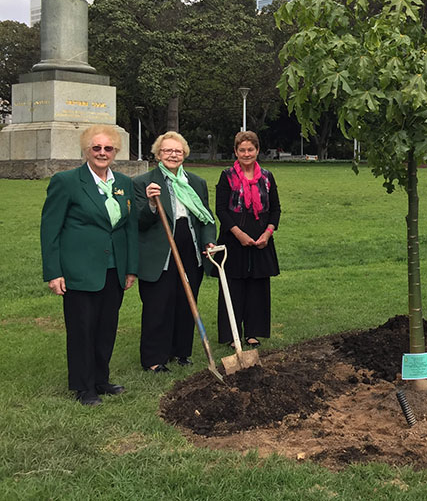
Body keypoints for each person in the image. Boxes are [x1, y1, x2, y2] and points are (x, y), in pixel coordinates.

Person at [40, 125, 137, 406]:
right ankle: (83, 387)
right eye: (97, 148)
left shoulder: (123, 183)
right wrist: (53, 271)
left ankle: (100, 378)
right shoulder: (67, 181)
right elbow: (50, 230)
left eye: (108, 148)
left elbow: (128, 228)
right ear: (86, 151)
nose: (102, 153)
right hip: (79, 270)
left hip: (113, 269)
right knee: (82, 328)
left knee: (107, 326)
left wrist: (130, 268)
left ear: (116, 152)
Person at [133, 132, 217, 372]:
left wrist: (209, 241)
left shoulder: (196, 183)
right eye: (167, 151)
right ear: (158, 154)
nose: (173, 154)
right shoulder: (144, 183)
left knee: (185, 302)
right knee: (158, 304)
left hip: (190, 248)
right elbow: (138, 222)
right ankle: (154, 358)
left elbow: (206, 218)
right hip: (160, 252)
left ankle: (181, 351)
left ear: (184, 155)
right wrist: (150, 204)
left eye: (177, 151)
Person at [215, 131, 280, 348]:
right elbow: (221, 210)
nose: (246, 154)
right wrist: (239, 234)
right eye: (241, 150)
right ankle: (233, 334)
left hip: (262, 240)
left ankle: (253, 332)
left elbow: (276, 209)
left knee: (257, 288)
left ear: (257, 150)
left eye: (250, 149)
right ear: (235, 152)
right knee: (234, 287)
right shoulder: (227, 176)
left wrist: (267, 234)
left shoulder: (268, 177)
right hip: (234, 239)